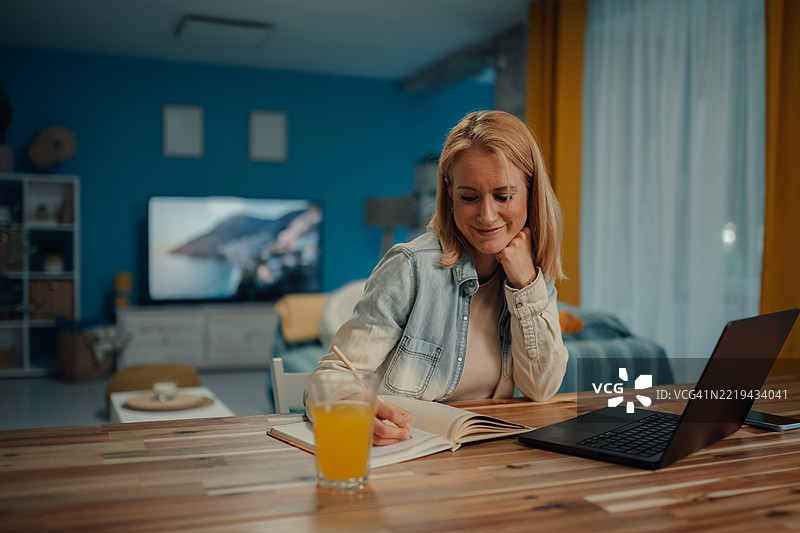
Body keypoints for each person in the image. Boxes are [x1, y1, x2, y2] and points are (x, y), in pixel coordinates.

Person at [308, 110, 568, 445]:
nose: (487, 216)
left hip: (488, 454)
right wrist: (350, 407)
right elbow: (330, 378)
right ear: (449, 193)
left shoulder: (534, 272)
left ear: (531, 193)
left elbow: (541, 388)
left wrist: (525, 284)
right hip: (406, 453)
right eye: (469, 197)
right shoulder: (411, 266)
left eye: (503, 196)